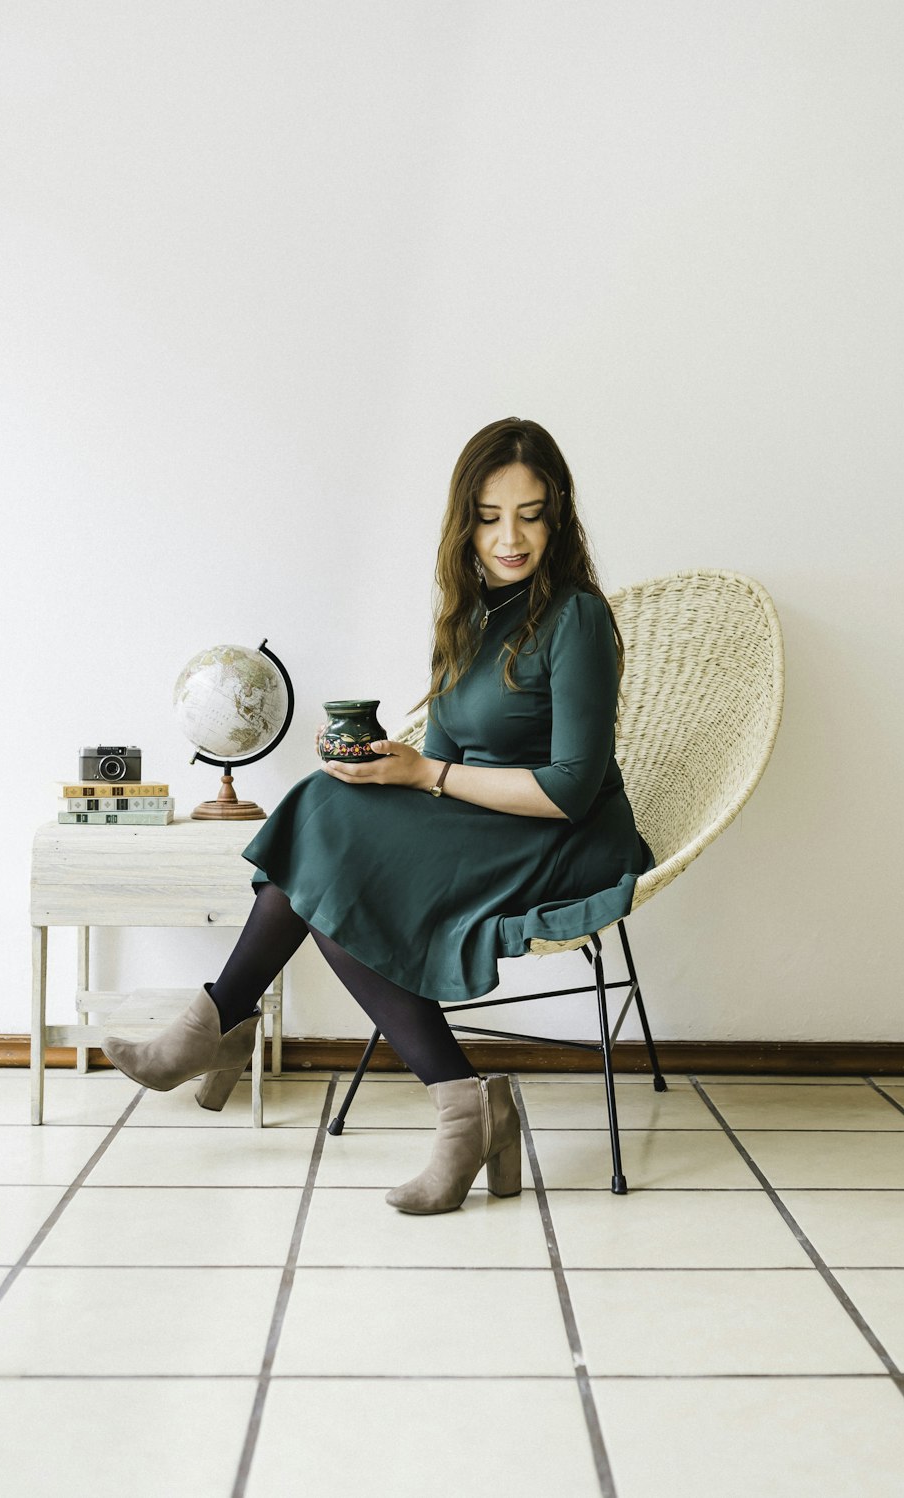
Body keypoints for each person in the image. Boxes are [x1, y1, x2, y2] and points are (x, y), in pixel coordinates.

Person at [102, 417, 654, 1214]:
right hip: (481, 820)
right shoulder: (467, 618)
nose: (510, 538)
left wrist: (425, 773)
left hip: (561, 837)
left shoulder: (576, 618)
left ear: (559, 515)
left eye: (530, 514)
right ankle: (465, 1107)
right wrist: (382, 768)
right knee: (329, 814)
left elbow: (568, 787)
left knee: (329, 859)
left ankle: (221, 1020)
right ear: (464, 521)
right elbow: (443, 754)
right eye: (491, 516)